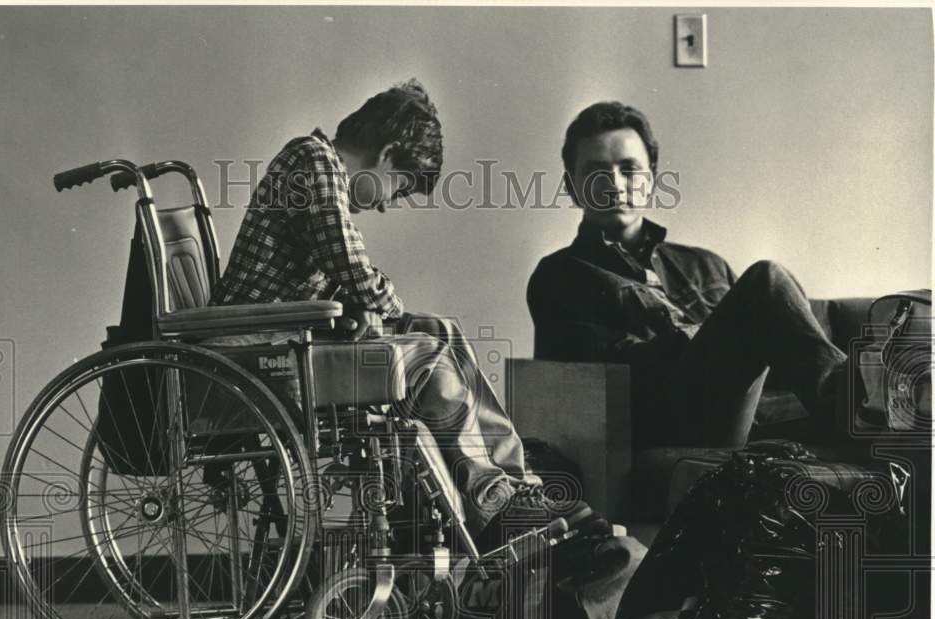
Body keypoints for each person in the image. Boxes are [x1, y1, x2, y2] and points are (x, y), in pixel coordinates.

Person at [210, 79, 601, 541]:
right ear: (387, 154)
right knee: (426, 355)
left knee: (443, 331)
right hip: (258, 349)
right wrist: (381, 305)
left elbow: (342, 276)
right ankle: (492, 502)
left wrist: (369, 307)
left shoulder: (318, 168)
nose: (385, 206)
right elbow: (354, 268)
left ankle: (516, 487)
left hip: (285, 335)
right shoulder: (312, 160)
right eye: (398, 190)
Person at [527, 101, 850, 449]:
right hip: (672, 421)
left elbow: (791, 341)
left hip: (761, 414)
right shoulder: (560, 275)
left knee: (891, 327)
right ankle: (859, 404)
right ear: (572, 187)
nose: (615, 185)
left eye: (629, 169)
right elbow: (620, 372)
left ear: (650, 180)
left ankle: (869, 405)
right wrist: (715, 333)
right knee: (767, 279)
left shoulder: (704, 264)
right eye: (595, 172)